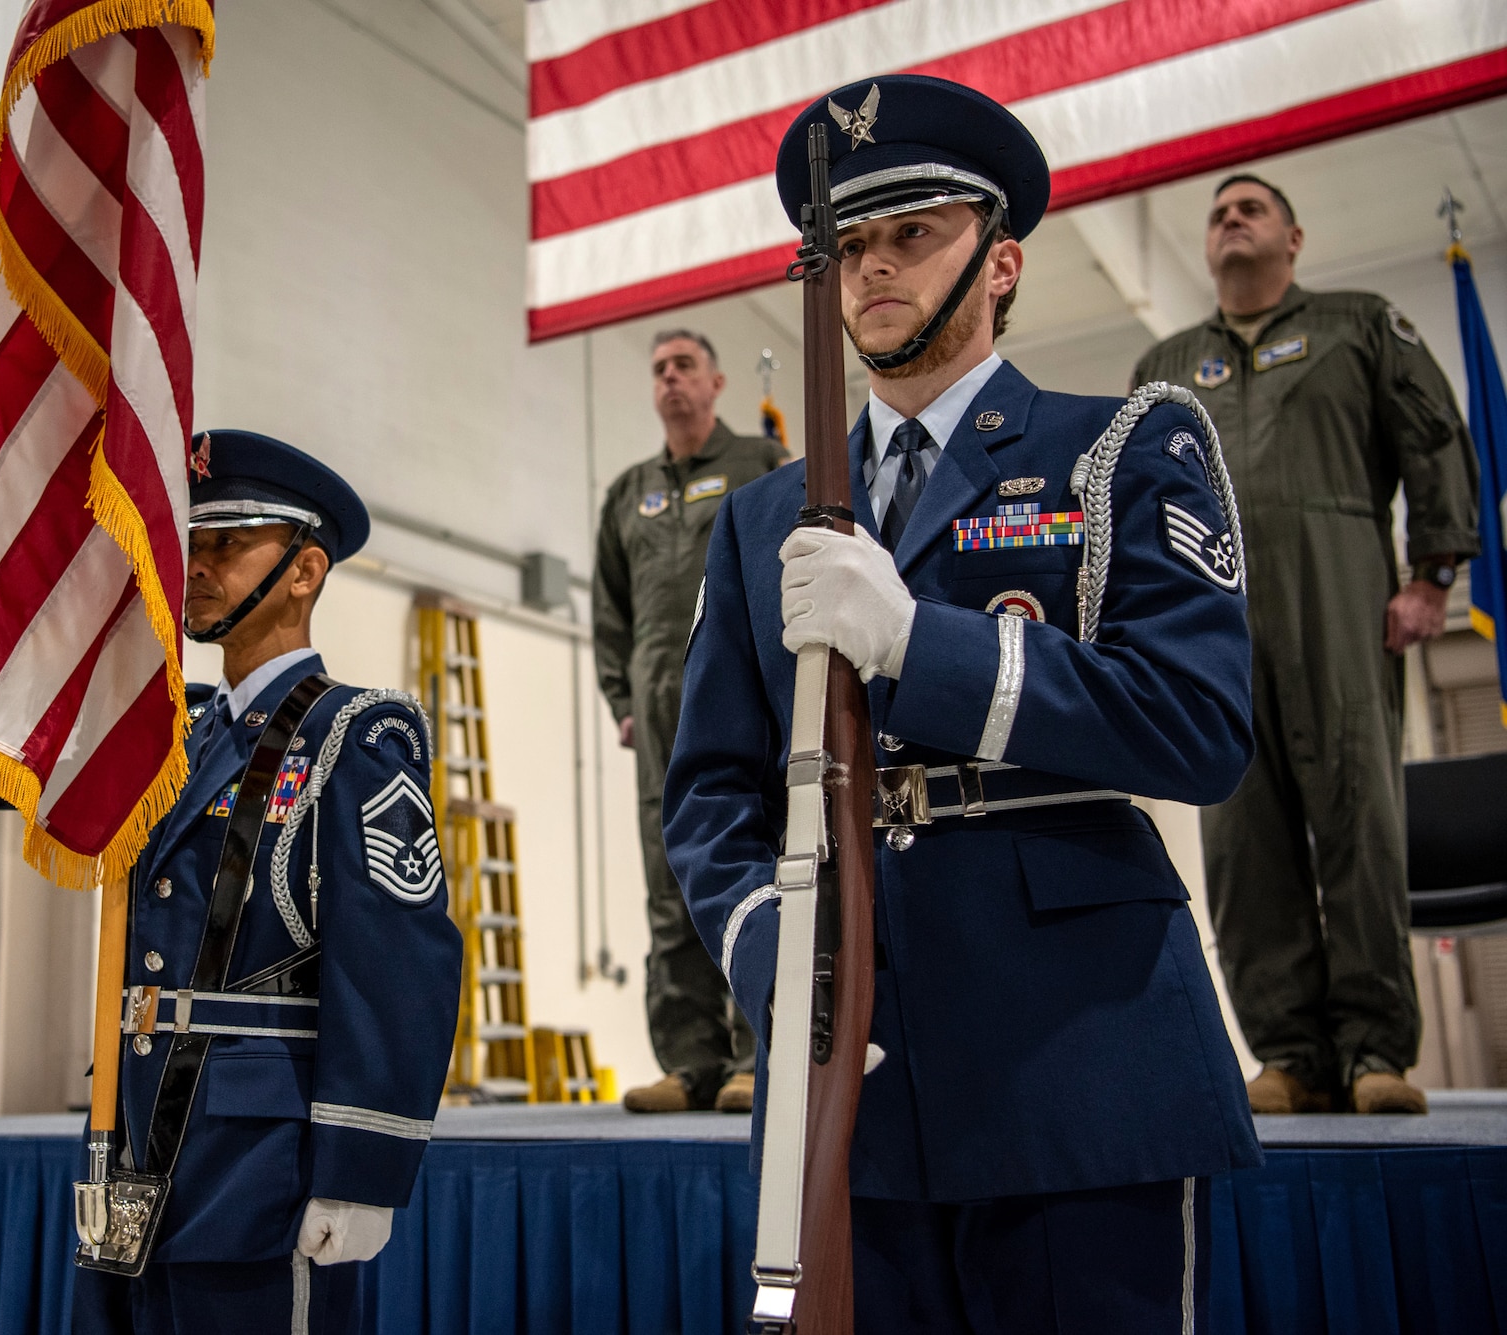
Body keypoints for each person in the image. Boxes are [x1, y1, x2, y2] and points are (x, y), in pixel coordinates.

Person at [666, 75, 1262, 1330]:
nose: (873, 268)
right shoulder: (762, 519)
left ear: (998, 262)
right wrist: (777, 960)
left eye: (912, 233)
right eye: (850, 245)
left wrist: (918, 646)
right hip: (851, 1069)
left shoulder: (1117, 448)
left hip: (1072, 1050)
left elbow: (1197, 726)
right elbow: (713, 791)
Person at [72, 430, 463, 1335]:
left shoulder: (357, 734)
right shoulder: (179, 737)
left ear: (303, 569)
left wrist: (362, 1165)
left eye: (227, 542)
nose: (196, 567)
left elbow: (398, 966)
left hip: (261, 1167)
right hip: (135, 1154)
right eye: (191, 544)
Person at [1134, 176, 1482, 1117]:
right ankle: (1288, 1052)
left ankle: (1375, 1051)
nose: (1230, 220)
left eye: (1251, 208)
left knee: (1359, 823)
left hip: (1339, 598)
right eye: (1216, 213)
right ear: (1207, 249)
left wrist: (1432, 576)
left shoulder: (1359, 325)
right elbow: (1128, 506)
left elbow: (1436, 439)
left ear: (1293, 235)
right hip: (1210, 630)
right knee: (1242, 841)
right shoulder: (1166, 365)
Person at [594, 329, 785, 1114]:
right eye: (660, 370)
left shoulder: (761, 466)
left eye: (685, 367)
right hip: (658, 715)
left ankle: (754, 1053)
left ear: (718, 381)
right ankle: (689, 1060)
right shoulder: (629, 490)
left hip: (746, 703)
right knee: (667, 882)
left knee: (753, 861)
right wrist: (623, 699)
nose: (671, 379)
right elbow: (610, 607)